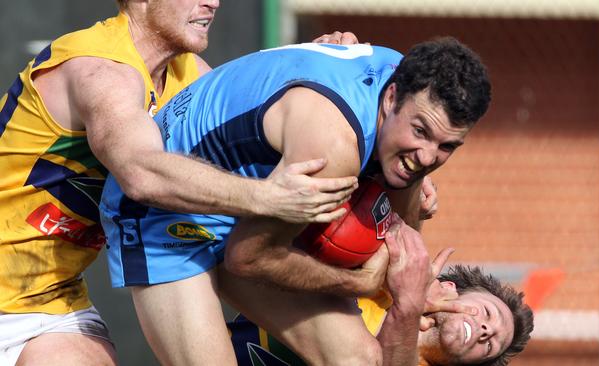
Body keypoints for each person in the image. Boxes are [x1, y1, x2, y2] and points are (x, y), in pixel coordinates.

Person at [0, 0, 363, 364]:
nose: (213, 2)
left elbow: (255, 122)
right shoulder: (99, 67)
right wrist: (269, 197)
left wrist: (322, 67)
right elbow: (141, 173)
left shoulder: (188, 75)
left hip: (47, 305)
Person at [100, 37, 493, 365]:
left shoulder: (404, 78)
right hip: (167, 208)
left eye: (446, 147)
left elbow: (401, 221)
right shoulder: (333, 147)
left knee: (359, 360)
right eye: (421, 132)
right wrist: (360, 282)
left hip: (247, 210)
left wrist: (411, 284)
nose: (427, 157)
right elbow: (248, 258)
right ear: (391, 98)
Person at [226, 255, 534, 365]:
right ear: (450, 289)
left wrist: (409, 308)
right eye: (486, 313)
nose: (486, 330)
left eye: (491, 344)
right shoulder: (374, 278)